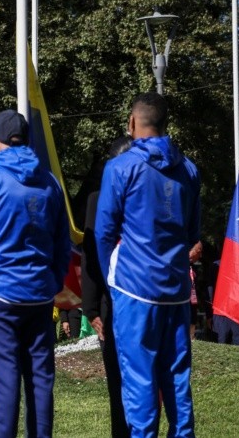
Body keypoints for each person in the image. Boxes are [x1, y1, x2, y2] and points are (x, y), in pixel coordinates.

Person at [0, 110, 71, 438]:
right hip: (38, 296)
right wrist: (51, 282)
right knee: (40, 382)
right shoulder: (49, 182)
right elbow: (61, 243)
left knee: (5, 384)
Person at [95, 92, 200, 437]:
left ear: (131, 123)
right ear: (164, 124)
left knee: (139, 380)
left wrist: (113, 276)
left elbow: (104, 232)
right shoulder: (188, 169)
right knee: (177, 377)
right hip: (176, 290)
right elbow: (191, 233)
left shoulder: (120, 167)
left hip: (135, 289)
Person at [81, 135, 132, 438]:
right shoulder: (147, 193)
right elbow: (91, 251)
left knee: (120, 381)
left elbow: (91, 252)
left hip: (113, 302)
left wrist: (91, 306)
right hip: (125, 300)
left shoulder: (99, 199)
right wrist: (91, 306)